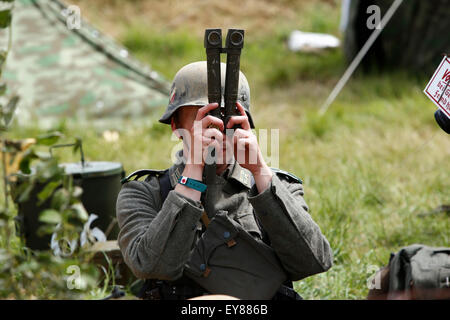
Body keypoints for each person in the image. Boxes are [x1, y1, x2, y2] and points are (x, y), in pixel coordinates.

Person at [116, 61, 333, 300]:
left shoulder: (275, 187)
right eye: (204, 122)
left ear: (245, 124)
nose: (216, 133)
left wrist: (260, 171)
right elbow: (150, 266)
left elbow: (314, 262)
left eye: (226, 120)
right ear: (176, 128)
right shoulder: (143, 193)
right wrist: (193, 173)